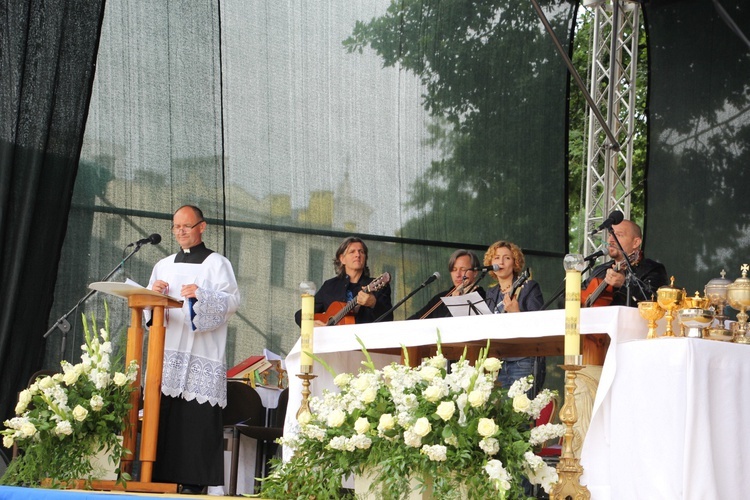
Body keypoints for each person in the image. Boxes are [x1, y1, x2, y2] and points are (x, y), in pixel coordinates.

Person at [148, 205, 241, 494]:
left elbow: (231, 302)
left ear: (202, 227)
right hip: (167, 352)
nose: (180, 232)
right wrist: (156, 295)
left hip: (202, 351)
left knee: (194, 421)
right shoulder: (163, 265)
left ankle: (193, 481)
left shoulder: (218, 264)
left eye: (186, 226)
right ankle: (159, 478)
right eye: (176, 227)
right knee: (164, 418)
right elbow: (148, 311)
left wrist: (201, 296)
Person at [483, 240, 545, 394]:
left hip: (522, 361)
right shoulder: (491, 293)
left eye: (507, 258)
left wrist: (517, 313)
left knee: (520, 414)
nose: (501, 262)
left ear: (515, 263)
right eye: (496, 258)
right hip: (496, 363)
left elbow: (540, 324)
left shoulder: (528, 288)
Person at [295, 236, 393, 326]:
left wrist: (373, 303)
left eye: (361, 252)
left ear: (365, 258)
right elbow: (301, 314)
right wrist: (308, 324)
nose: (357, 255)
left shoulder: (377, 287)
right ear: (342, 259)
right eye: (352, 252)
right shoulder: (329, 286)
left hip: (364, 342)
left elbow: (389, 319)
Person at [583, 218, 668, 307]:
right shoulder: (600, 270)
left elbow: (656, 300)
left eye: (618, 235)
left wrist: (624, 283)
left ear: (636, 243)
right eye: (610, 235)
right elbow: (578, 294)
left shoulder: (652, 268)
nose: (610, 240)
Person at [408, 249, 487, 320]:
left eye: (463, 269)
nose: (458, 274)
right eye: (454, 270)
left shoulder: (484, 297)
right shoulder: (440, 298)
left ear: (475, 273)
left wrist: (456, 301)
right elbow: (416, 319)